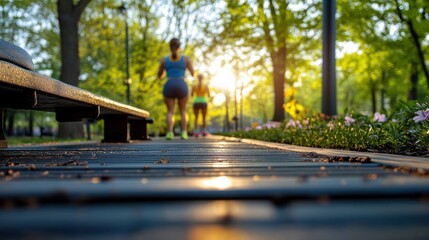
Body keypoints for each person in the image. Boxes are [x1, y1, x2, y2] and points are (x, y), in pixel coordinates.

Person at [157, 38, 195, 140]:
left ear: (170, 47)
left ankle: (169, 133)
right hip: (181, 84)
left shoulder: (164, 60)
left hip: (169, 84)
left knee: (170, 111)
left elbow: (159, 75)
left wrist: (166, 69)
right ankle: (184, 133)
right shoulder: (186, 59)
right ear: (179, 47)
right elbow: (193, 73)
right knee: (183, 111)